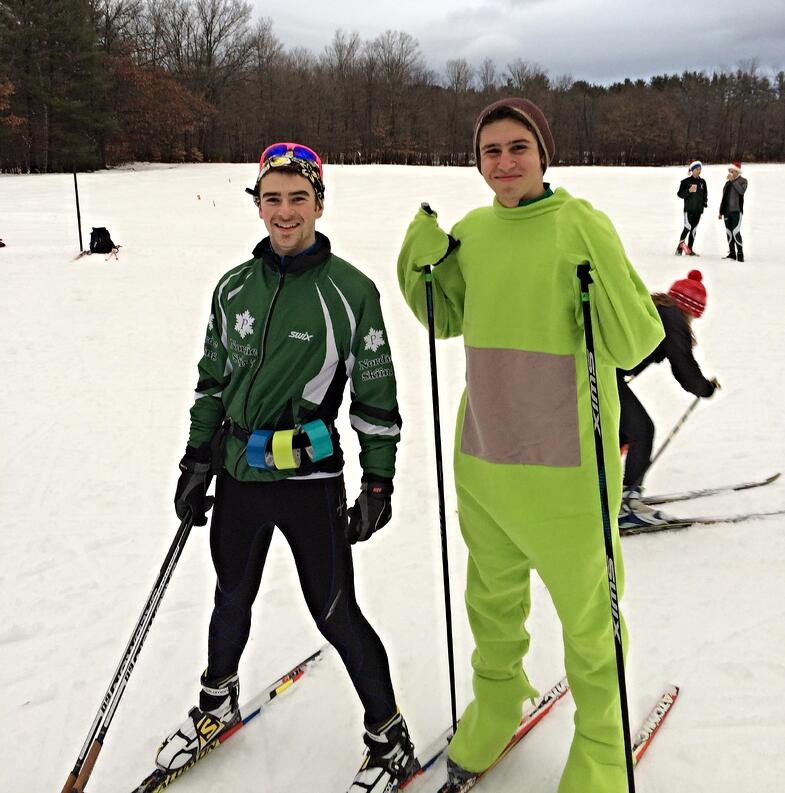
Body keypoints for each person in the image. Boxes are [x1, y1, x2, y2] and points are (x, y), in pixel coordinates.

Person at [397, 98, 664, 792]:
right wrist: (418, 261)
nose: (504, 162)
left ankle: (602, 742)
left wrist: (598, 269)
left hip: (566, 474)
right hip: (485, 458)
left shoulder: (578, 224)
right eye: (490, 151)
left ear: (543, 154)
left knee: (587, 618)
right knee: (489, 602)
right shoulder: (474, 231)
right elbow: (442, 317)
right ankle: (495, 699)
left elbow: (635, 340)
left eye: (518, 147)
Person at [158, 142, 417, 792]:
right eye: (270, 198)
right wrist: (196, 459)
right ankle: (216, 699)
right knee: (230, 596)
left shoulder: (349, 291)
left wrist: (377, 479)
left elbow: (375, 395)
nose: (283, 211)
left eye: (297, 198)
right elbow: (212, 381)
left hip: (307, 480)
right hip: (238, 475)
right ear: (257, 204)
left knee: (334, 610)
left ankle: (388, 734)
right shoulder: (233, 287)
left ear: (319, 204)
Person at [617, 270, 719, 530]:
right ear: (691, 308)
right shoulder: (672, 318)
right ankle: (627, 504)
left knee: (621, 432)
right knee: (641, 430)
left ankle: (603, 492)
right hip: (604, 375)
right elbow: (682, 364)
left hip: (596, 372)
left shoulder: (658, 310)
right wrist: (703, 388)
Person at [675, 160, 707, 255]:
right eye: (697, 169)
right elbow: (680, 194)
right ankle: (679, 249)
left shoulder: (702, 182)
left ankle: (690, 249)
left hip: (698, 211)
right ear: (692, 170)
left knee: (693, 230)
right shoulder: (685, 182)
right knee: (687, 228)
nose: (699, 171)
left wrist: (704, 203)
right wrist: (688, 191)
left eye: (700, 169)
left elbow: (705, 194)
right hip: (689, 210)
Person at [719, 162, 748, 261]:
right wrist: (721, 211)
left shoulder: (743, 181)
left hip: (736, 211)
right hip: (727, 212)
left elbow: (741, 191)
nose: (730, 173)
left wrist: (733, 181)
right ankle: (732, 253)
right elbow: (724, 198)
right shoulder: (727, 183)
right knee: (729, 232)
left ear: (737, 171)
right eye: (730, 171)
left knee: (736, 232)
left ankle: (740, 253)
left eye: (732, 171)